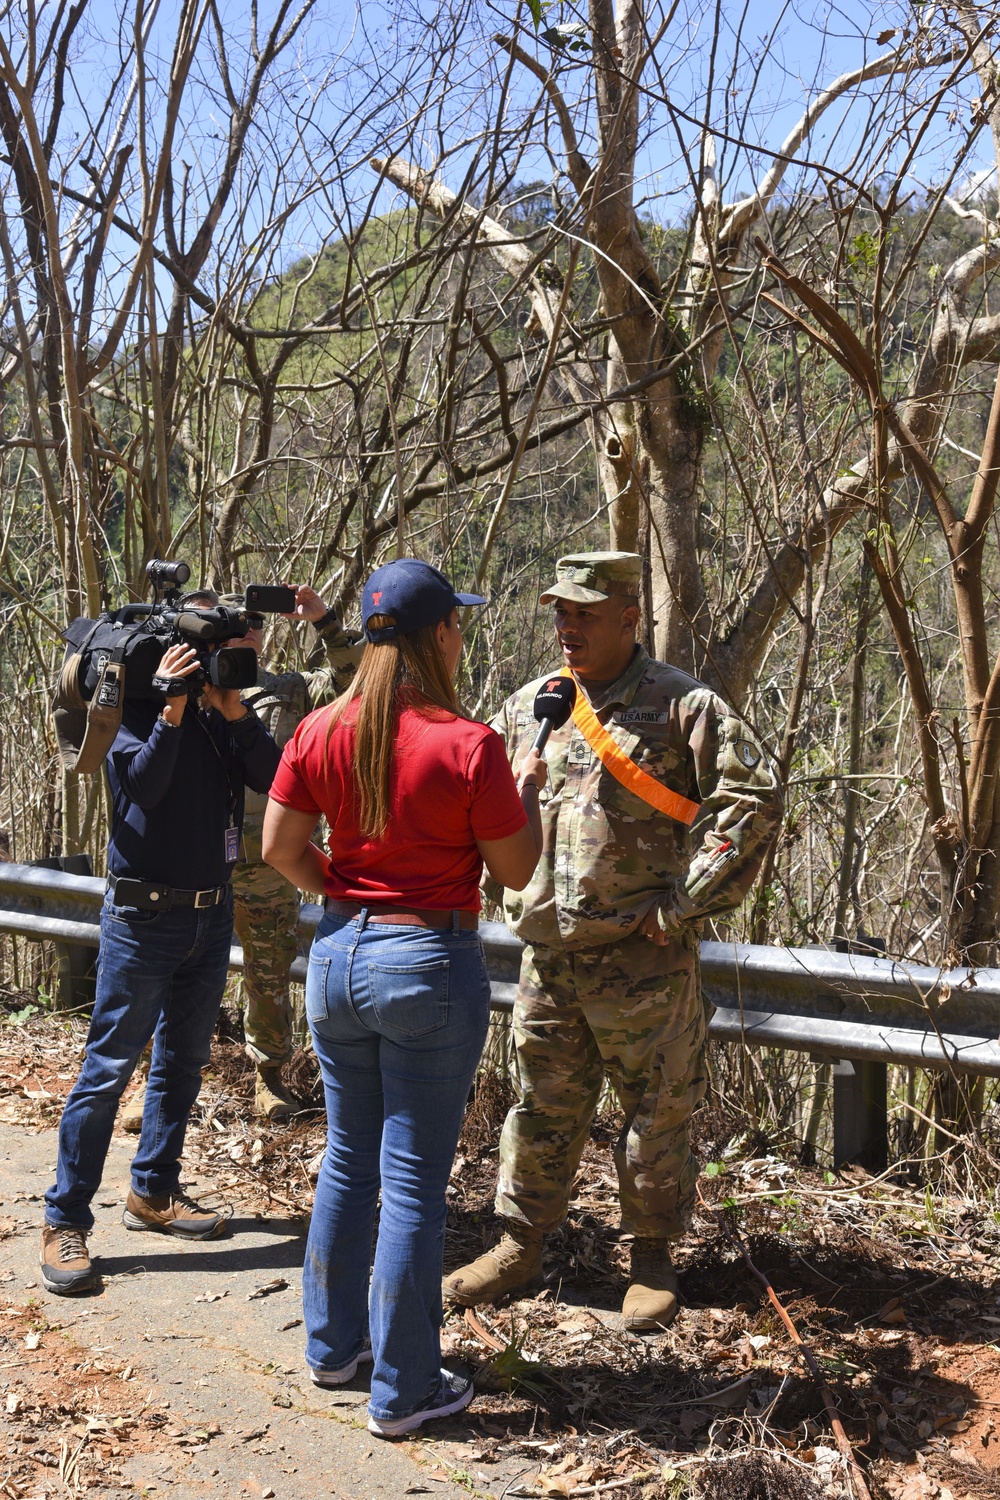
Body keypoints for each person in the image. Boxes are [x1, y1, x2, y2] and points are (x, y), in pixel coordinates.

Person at [443, 552, 783, 1330]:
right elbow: (481, 797)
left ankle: (652, 1260)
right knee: (541, 1106)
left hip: (643, 959)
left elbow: (754, 798)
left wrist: (684, 904)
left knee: (655, 1112)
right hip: (548, 957)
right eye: (561, 611)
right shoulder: (532, 704)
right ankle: (520, 1245)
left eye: (585, 613)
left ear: (629, 616)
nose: (567, 626)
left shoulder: (680, 705)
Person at [262, 557, 547, 1438]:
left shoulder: (320, 727)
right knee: (413, 1183)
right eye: (456, 621)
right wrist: (524, 793)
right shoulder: (469, 744)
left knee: (347, 1158)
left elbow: (279, 846)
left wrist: (346, 901)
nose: (461, 633)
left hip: (338, 957)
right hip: (428, 960)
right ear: (437, 636)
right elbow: (516, 869)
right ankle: (403, 1390)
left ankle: (332, 1350)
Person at [40, 607, 281, 1296]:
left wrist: (232, 711)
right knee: (109, 1069)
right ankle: (64, 1218)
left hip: (211, 912)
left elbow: (273, 774)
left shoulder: (217, 714)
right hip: (144, 917)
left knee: (183, 1062)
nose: (237, 665)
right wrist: (173, 710)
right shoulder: (136, 710)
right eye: (232, 655)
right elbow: (141, 790)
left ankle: (153, 1191)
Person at [121, 584, 362, 1128]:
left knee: (268, 973)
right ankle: (154, 1083)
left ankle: (268, 1078)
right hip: (197, 857)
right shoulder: (184, 688)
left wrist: (325, 623)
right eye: (233, 623)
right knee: (171, 971)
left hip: (268, 864)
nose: (246, 629)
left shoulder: (289, 688)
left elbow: (357, 683)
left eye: (253, 620)